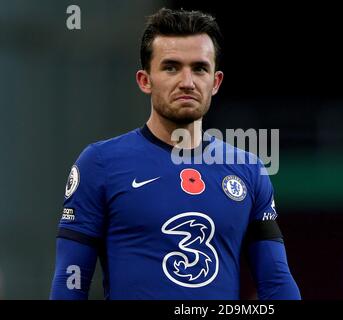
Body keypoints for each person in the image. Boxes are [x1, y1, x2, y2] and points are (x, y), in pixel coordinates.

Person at [50, 8, 301, 300]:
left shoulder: (247, 169)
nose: (187, 82)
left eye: (199, 68)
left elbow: (276, 282)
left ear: (216, 82)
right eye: (171, 67)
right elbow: (70, 281)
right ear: (145, 80)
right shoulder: (100, 164)